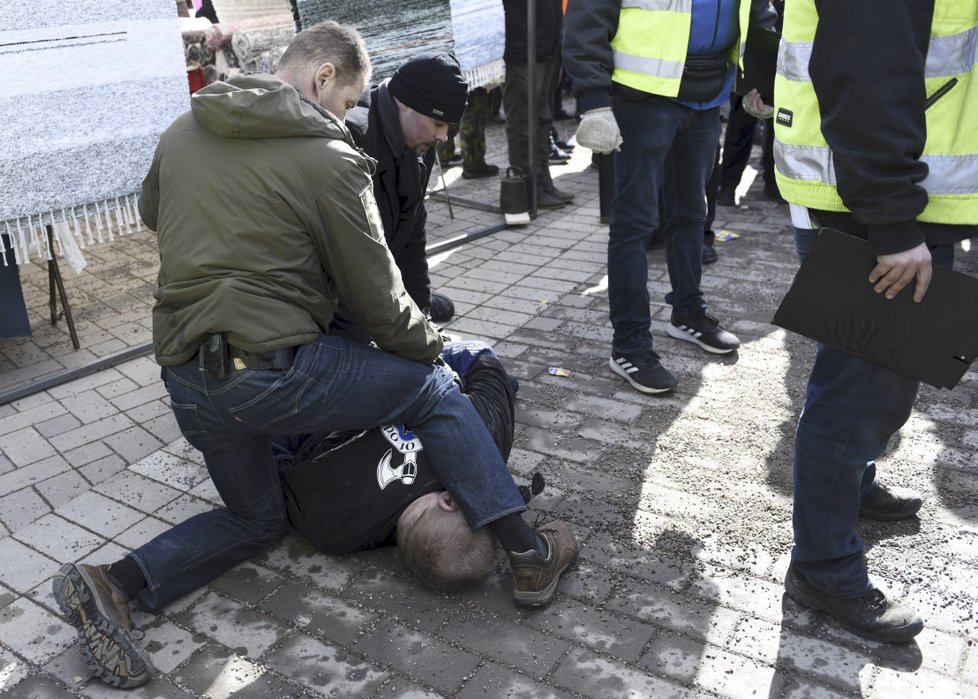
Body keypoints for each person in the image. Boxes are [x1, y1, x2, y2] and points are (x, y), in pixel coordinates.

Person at [51, 22, 577, 690]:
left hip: (186, 378)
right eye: (348, 102)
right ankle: (531, 555)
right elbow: (382, 302)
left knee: (258, 518)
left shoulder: (186, 130)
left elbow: (155, 211)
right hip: (270, 372)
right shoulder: (330, 158)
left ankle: (115, 582)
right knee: (434, 393)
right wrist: (433, 352)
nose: (350, 118)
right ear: (324, 78)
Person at [767, 0, 977, 643]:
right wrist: (892, 220)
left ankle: (850, 490)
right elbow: (867, 70)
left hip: (878, 201)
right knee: (857, 398)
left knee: (867, 387)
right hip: (878, 211)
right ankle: (824, 566)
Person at [562, 0, 776, 394]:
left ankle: (688, 312)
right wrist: (593, 100)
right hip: (642, 100)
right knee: (635, 225)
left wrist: (762, 79)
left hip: (708, 98)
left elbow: (756, 12)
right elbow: (587, 19)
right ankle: (630, 346)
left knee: (693, 213)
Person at [278, 340, 532, 591]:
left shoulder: (487, 439)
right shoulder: (332, 532)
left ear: (450, 501)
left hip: (370, 362)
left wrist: (498, 391)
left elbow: (483, 358)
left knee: (480, 368)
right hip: (330, 383)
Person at [336, 52, 468, 331]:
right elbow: (348, 256)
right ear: (406, 105)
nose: (443, 137)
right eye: (438, 123)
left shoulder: (420, 140)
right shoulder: (354, 137)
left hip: (377, 279)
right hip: (339, 305)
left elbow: (413, 225)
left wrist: (421, 309)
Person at [502, 0, 575, 210]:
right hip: (522, 49)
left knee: (543, 119)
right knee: (523, 124)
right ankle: (526, 189)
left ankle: (543, 183)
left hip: (547, 46)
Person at [437, 86, 500, 179]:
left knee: (457, 105)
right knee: (474, 112)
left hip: (458, 75)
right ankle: (473, 163)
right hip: (473, 78)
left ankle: (444, 152)